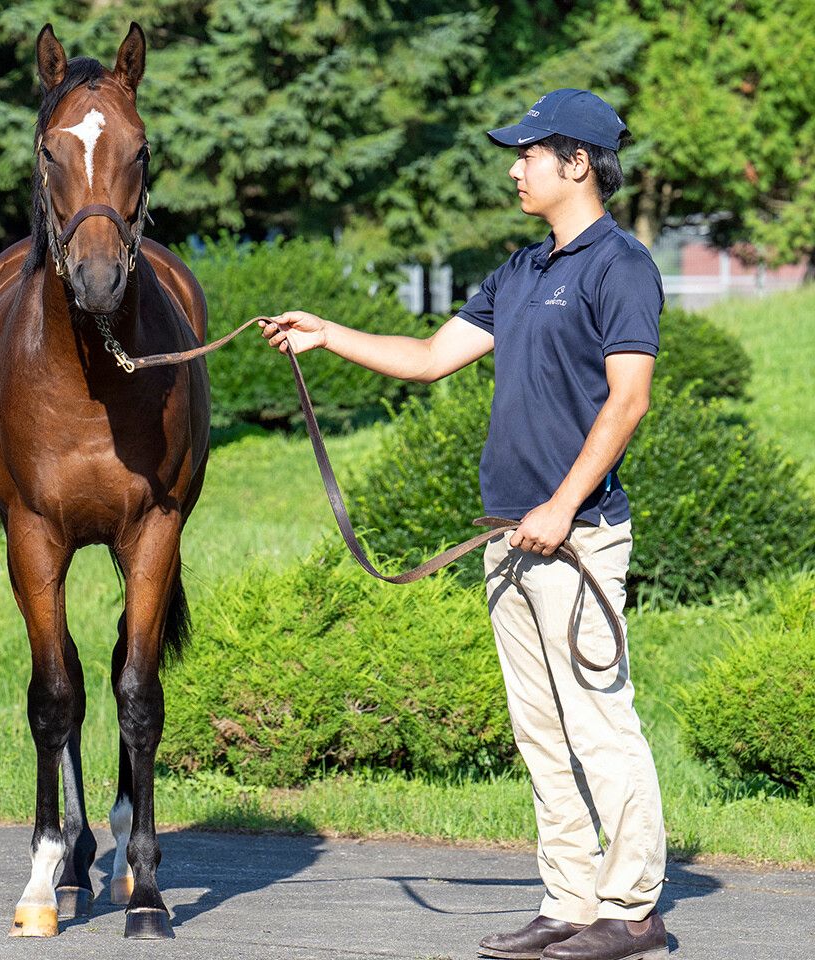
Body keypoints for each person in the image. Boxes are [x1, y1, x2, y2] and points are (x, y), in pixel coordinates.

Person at [261, 89, 669, 960]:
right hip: (506, 539)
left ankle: (632, 908)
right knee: (541, 732)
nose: (514, 167)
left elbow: (627, 400)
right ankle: (567, 899)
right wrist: (329, 334)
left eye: (528, 153)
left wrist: (562, 506)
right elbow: (429, 359)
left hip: (578, 536)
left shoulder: (620, 266)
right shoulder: (518, 272)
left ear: (578, 163)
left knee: (600, 724)